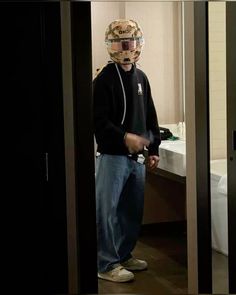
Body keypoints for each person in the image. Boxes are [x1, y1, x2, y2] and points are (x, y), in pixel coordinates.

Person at [93, 19, 161, 283]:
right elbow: (98, 123)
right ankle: (106, 263)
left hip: (137, 160)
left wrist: (153, 148)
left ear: (138, 44)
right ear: (111, 45)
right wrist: (124, 138)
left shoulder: (141, 77)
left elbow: (150, 116)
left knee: (132, 211)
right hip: (111, 158)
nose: (126, 48)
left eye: (130, 42)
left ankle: (123, 254)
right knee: (106, 212)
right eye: (120, 43)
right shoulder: (104, 79)